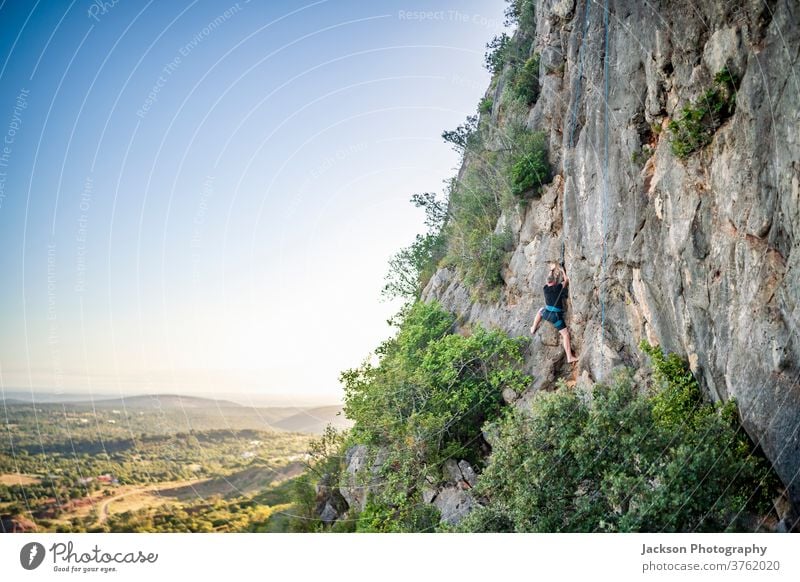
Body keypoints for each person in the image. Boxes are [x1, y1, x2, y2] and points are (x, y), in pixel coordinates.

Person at [530, 263, 578, 364]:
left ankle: (533, 327)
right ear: (555, 282)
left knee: (540, 310)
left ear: (547, 283)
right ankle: (569, 357)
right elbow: (566, 280)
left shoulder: (545, 288)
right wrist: (563, 271)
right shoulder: (558, 287)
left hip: (546, 313)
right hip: (555, 317)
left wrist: (551, 270)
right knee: (565, 335)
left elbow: (548, 279)